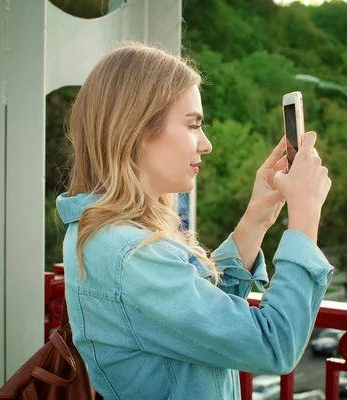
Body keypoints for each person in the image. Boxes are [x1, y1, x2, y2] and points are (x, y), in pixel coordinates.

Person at [56, 42, 333, 400]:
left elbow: (198, 321)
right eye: (193, 125)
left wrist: (256, 219)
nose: (206, 144)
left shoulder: (105, 234)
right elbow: (273, 344)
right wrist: (305, 219)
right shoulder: (127, 253)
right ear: (137, 131)